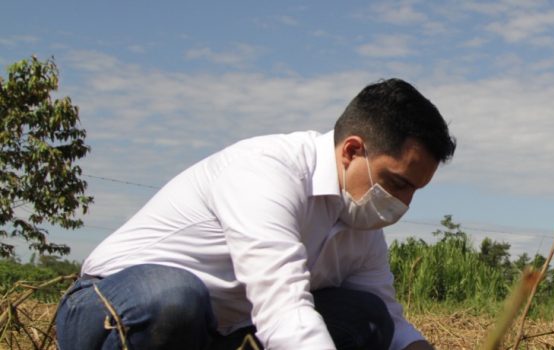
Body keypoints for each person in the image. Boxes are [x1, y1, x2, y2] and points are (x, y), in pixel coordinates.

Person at [54, 78, 455, 350]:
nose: (402, 202)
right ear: (352, 151)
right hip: (111, 306)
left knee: (367, 316)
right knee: (174, 300)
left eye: (414, 191)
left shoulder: (361, 225)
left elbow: (389, 317)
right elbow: (283, 307)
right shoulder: (265, 172)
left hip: (218, 330)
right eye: (397, 182)